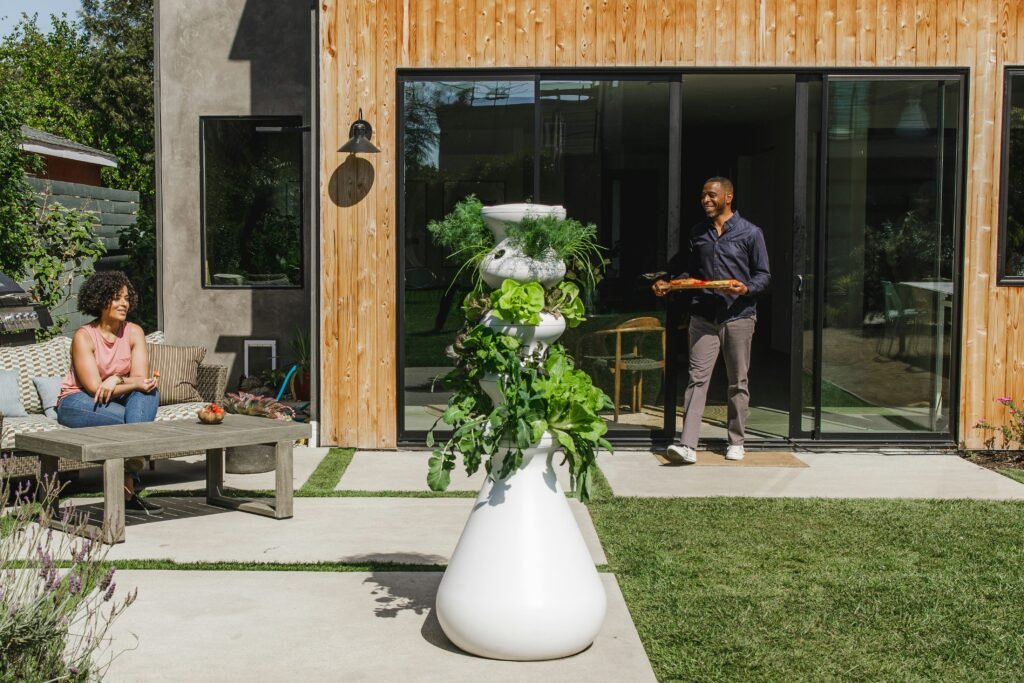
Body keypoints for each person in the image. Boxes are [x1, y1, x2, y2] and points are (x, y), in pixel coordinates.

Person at [655, 177, 770, 463]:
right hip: (704, 316)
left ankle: (736, 441)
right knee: (697, 379)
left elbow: (763, 275)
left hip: (738, 315)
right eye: (703, 195)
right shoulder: (698, 233)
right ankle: (688, 446)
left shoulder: (750, 233)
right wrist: (670, 284)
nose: (706, 200)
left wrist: (745, 288)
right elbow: (691, 273)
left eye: (712, 195)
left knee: (737, 382)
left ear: (728, 197)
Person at [56, 271, 163, 514]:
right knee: (136, 422)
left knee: (149, 391)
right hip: (78, 402)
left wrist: (117, 378)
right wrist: (131, 383)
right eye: (117, 298)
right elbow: (94, 388)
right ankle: (132, 472)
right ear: (100, 300)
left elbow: (140, 380)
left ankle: (126, 488)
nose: (124, 303)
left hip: (118, 397)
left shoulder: (134, 332)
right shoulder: (84, 336)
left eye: (126, 298)